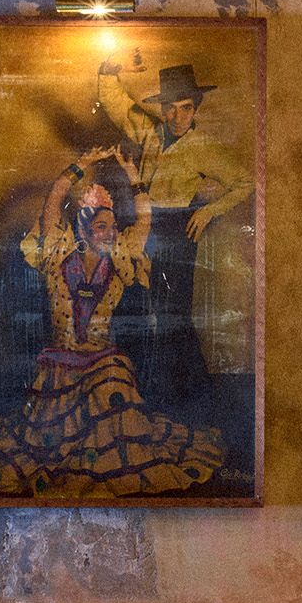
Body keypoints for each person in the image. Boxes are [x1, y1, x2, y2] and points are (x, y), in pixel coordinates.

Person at [0, 147, 223, 499]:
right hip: (60, 361)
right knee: (51, 436)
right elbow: (52, 205)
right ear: (83, 229)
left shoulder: (120, 259)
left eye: (112, 227)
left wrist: (133, 175)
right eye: (101, 227)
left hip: (102, 359)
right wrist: (81, 166)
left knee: (114, 380)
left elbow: (144, 222)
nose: (109, 233)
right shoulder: (59, 253)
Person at [95, 56, 253, 422]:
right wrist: (109, 68)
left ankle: (193, 401)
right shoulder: (148, 132)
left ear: (195, 108)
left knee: (173, 314)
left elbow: (245, 182)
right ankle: (142, 393)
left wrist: (208, 211)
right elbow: (115, 102)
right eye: (170, 108)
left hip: (177, 231)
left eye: (186, 108)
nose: (177, 117)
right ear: (162, 108)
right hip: (143, 228)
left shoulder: (203, 146)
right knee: (140, 306)